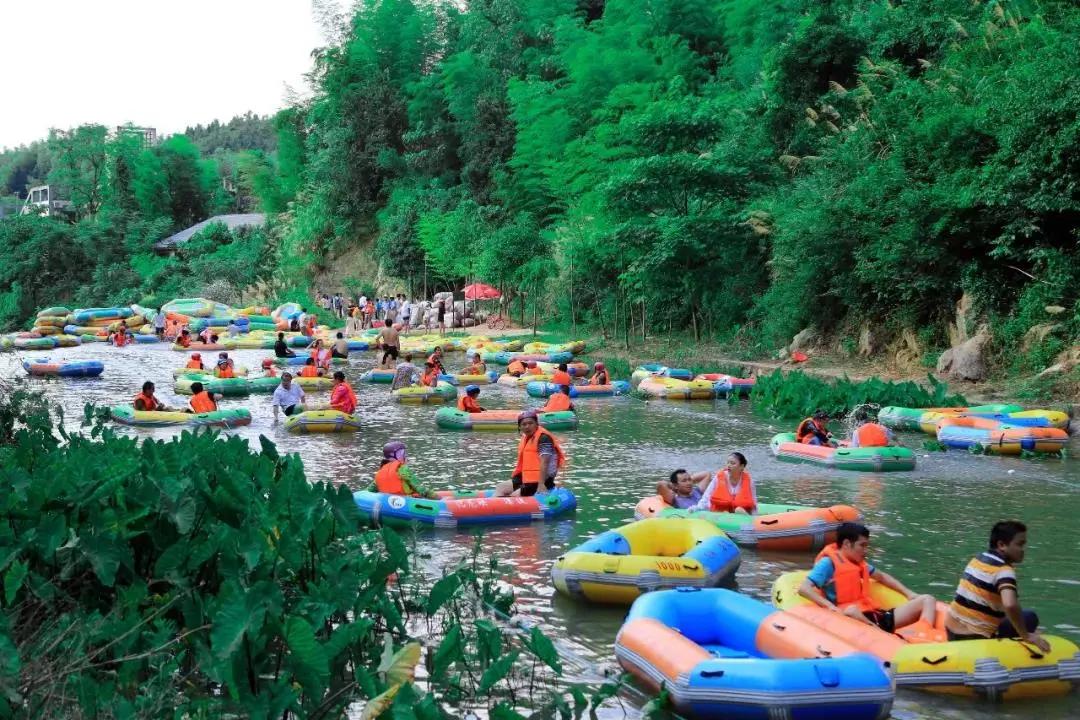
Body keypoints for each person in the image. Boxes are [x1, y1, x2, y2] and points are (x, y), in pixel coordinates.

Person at [798, 522, 937, 633]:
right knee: (851, 610)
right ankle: (884, 636)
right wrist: (830, 607)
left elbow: (882, 576)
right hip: (850, 618)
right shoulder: (828, 563)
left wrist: (909, 593)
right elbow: (804, 588)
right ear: (847, 544)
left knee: (928, 599)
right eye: (862, 545)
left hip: (875, 615)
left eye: (867, 545)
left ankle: (924, 634)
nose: (865, 551)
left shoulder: (858, 563)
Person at [945, 520, 1050, 651]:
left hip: (951, 630)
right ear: (1001, 545)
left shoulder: (978, 559)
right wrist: (1025, 635)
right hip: (974, 637)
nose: (1023, 550)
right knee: (1030, 617)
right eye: (1020, 544)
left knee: (1018, 617)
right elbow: (1010, 604)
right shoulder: (1004, 571)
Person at [495, 410, 565, 497]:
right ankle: (492, 509)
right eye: (524, 424)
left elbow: (545, 462)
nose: (527, 426)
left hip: (543, 479)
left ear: (536, 424)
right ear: (520, 427)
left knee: (514, 496)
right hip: (527, 477)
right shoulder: (527, 438)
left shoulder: (544, 438)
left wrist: (541, 484)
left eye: (530, 423)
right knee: (501, 487)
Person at [690, 452, 757, 514]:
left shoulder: (749, 481)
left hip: (741, 512)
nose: (729, 465)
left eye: (732, 463)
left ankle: (744, 517)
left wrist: (754, 516)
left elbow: (753, 501)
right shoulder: (718, 477)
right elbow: (707, 496)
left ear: (741, 466)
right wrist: (698, 507)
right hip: (722, 512)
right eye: (728, 462)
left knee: (739, 509)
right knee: (725, 512)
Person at [372, 441, 437, 498]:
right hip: (406, 501)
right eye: (402, 453)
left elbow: (370, 489)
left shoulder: (380, 472)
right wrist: (438, 498)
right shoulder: (403, 469)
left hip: (386, 502)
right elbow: (420, 488)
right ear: (393, 455)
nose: (405, 455)